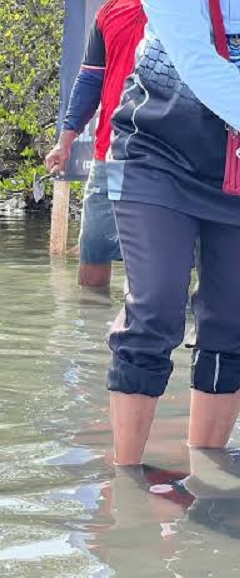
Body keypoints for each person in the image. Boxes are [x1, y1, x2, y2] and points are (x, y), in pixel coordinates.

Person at [106, 0, 240, 465]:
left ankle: (208, 474)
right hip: (154, 152)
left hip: (235, 166)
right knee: (157, 307)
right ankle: (127, 488)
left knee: (232, 319)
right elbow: (201, 67)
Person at [45, 0, 146, 288]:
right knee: (94, 247)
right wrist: (64, 142)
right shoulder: (109, 10)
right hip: (112, 153)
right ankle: (89, 326)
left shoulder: (190, 9)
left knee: (165, 254)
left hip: (170, 156)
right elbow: (90, 78)